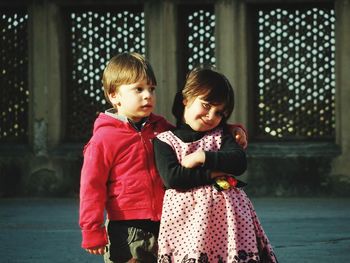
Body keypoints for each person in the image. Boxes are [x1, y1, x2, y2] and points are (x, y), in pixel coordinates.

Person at [79, 53, 248, 263]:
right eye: (138, 89)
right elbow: (91, 186)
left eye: (151, 89)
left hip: (167, 222)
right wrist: (91, 230)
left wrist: (230, 129)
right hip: (128, 226)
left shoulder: (159, 128)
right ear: (114, 95)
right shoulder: (104, 138)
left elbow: (192, 133)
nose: (148, 95)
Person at [153, 67, 278, 262]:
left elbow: (239, 161)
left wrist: (202, 157)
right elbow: (173, 178)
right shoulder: (164, 140)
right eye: (206, 105)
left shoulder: (221, 135)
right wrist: (213, 174)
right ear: (186, 98)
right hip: (187, 222)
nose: (211, 116)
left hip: (228, 220)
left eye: (219, 112)